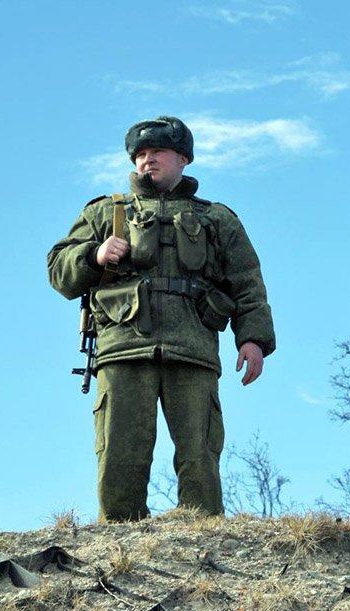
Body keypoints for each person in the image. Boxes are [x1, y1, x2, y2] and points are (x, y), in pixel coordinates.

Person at [47, 116, 276, 522]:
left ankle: (203, 537)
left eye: (158, 152)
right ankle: (119, 541)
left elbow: (247, 282)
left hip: (193, 349)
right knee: (119, 452)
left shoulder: (217, 219)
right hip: (123, 348)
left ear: (183, 158)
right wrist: (95, 255)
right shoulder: (105, 213)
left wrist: (253, 339)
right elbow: (59, 271)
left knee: (199, 452)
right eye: (140, 154)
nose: (147, 160)